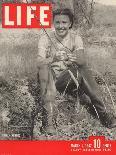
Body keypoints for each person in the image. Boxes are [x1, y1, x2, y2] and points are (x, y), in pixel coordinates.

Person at [37, 8, 116, 135]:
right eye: (57, 22)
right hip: (49, 79)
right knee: (44, 68)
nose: (60, 26)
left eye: (64, 22)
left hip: (66, 79)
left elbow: (82, 61)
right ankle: (48, 123)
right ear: (53, 23)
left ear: (70, 24)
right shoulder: (45, 38)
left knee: (83, 69)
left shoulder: (76, 38)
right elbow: (39, 62)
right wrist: (53, 58)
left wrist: (73, 58)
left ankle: (104, 114)